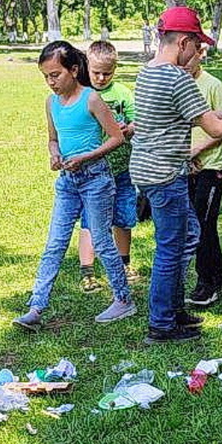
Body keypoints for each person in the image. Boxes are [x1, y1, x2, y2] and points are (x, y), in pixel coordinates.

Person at [132, 6, 222, 344]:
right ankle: (162, 323)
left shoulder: (146, 72)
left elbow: (190, 115)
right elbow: (215, 128)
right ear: (182, 42)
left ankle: (173, 308)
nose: (199, 53)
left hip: (148, 170)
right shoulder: (177, 78)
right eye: (197, 46)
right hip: (166, 176)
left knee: (187, 235)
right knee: (170, 248)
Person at [14, 42, 134, 331]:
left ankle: (123, 299)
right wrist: (54, 153)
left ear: (74, 70)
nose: (51, 82)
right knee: (55, 242)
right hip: (68, 181)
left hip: (96, 179)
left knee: (102, 241)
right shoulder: (51, 103)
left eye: (55, 74)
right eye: (46, 76)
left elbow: (117, 137)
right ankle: (36, 307)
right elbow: (53, 138)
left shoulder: (91, 99)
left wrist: (85, 157)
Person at [76, 41, 138, 290]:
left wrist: (130, 129)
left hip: (121, 168)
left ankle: (124, 262)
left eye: (107, 73)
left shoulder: (123, 93)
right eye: (96, 72)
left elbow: (137, 121)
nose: (101, 78)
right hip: (91, 171)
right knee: (90, 220)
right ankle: (87, 271)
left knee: (122, 217)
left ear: (115, 69)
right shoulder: (82, 94)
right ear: (87, 67)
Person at [186, 46, 222, 308]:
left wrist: (199, 149)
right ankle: (217, 273)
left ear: (199, 54)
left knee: (202, 222)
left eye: (189, 58)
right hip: (189, 166)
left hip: (213, 165)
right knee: (201, 222)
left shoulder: (212, 85)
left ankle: (207, 283)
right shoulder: (180, 85)